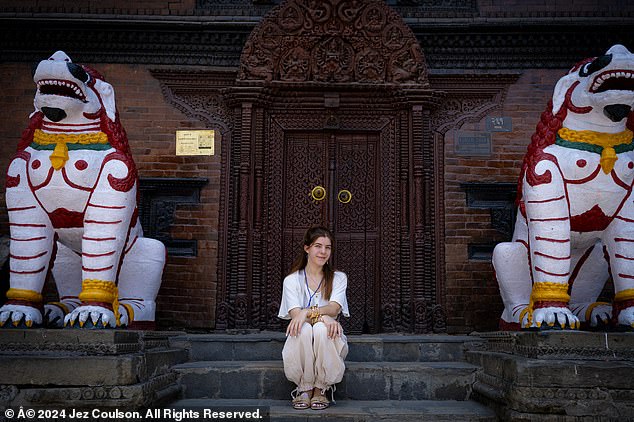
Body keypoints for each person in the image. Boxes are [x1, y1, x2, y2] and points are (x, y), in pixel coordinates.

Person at [278, 226, 349, 410]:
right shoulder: (292, 280)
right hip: (301, 336)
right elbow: (296, 317)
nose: (323, 252)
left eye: (328, 247)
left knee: (319, 328)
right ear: (307, 248)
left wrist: (306, 312)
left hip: (329, 337)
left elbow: (334, 309)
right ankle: (304, 387)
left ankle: (321, 388)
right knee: (305, 328)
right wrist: (323, 317)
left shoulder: (338, 278)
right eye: (318, 246)